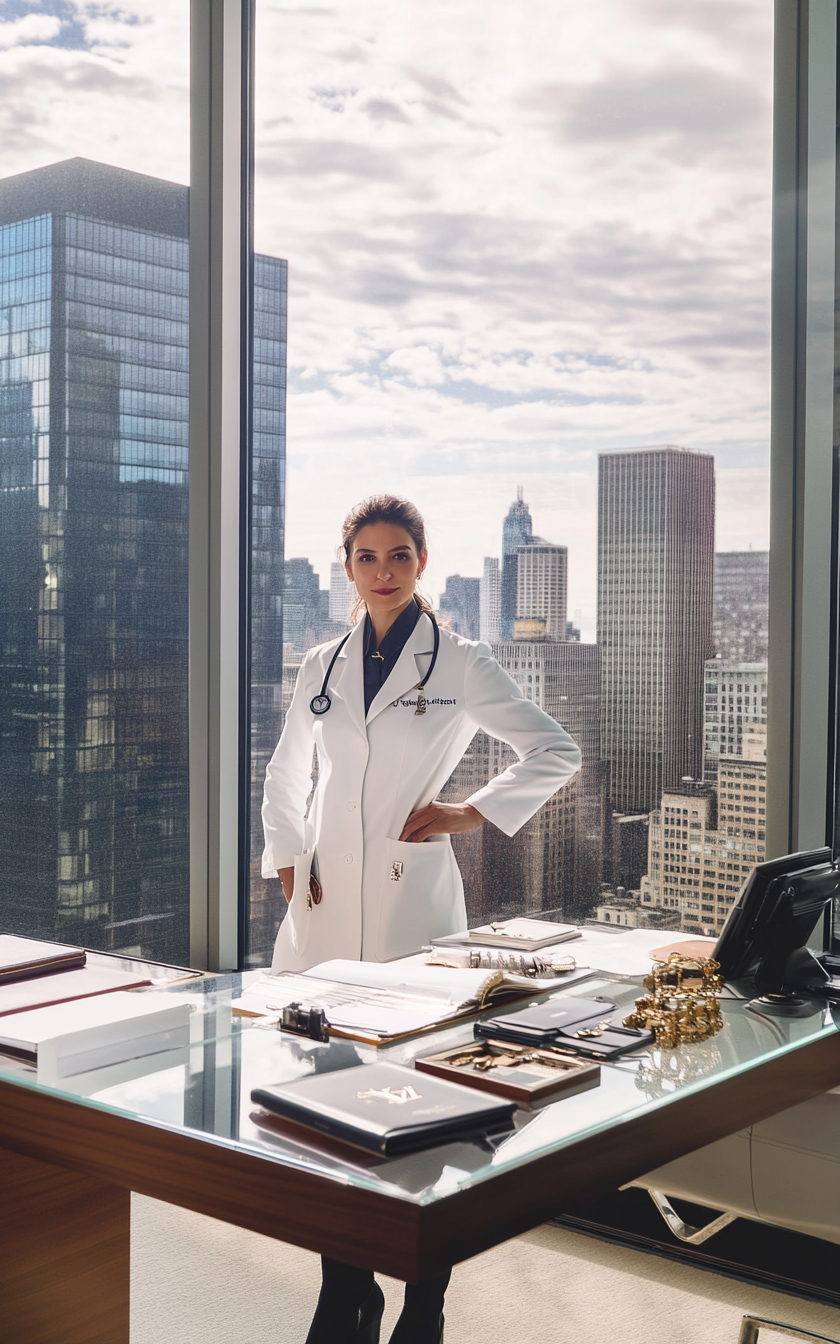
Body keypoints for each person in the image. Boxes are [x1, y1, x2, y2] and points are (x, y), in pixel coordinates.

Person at [261, 494, 581, 1344]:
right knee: (326, 1101)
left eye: (398, 555)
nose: (383, 572)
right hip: (325, 909)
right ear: (347, 567)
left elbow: (555, 748)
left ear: (422, 562)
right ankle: (345, 1286)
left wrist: (468, 812)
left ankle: (425, 1296)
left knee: (421, 1106)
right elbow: (288, 772)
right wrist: (290, 863)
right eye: (366, 557)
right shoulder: (320, 664)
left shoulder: (461, 662)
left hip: (413, 902)